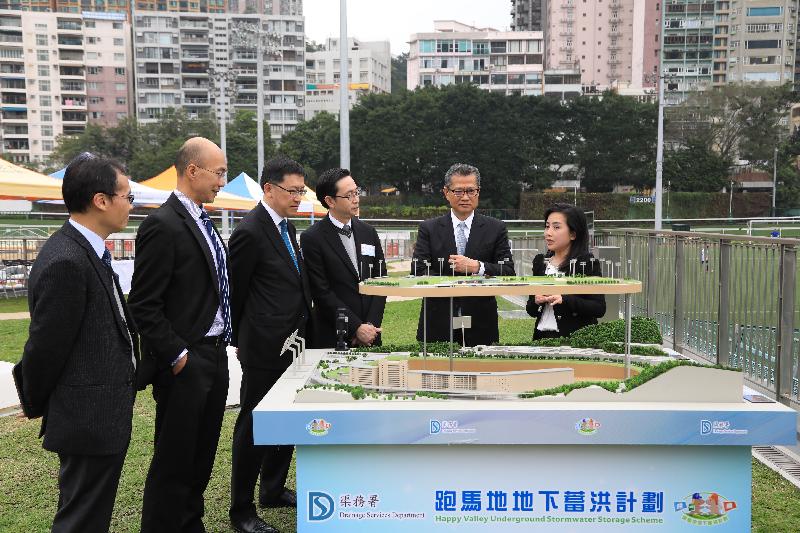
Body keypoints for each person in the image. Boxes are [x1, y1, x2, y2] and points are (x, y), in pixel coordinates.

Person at [17, 153, 137, 532]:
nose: (131, 205)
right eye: (127, 197)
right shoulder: (67, 260)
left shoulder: (89, 250)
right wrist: (37, 401)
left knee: (90, 512)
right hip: (87, 416)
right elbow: (45, 348)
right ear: (101, 200)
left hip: (101, 413)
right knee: (82, 517)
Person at [129, 137, 230, 533]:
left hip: (215, 354)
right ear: (193, 171)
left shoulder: (205, 221)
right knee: (174, 457)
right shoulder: (162, 224)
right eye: (219, 172)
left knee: (202, 453)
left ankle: (191, 524)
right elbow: (144, 303)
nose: (223, 181)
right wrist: (176, 354)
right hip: (186, 358)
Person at [228, 157, 312, 533]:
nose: (298, 198)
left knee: (286, 419)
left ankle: (272, 489)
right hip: (263, 346)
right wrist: (245, 341)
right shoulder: (250, 230)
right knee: (255, 424)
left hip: (294, 342)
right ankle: (241, 510)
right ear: (269, 189)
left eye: (301, 191)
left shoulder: (285, 227)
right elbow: (237, 294)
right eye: (292, 191)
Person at [412, 163, 515, 346]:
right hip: (438, 320)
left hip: (481, 322)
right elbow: (418, 270)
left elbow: (507, 271)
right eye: (458, 191)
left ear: (478, 192)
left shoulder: (496, 228)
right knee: (436, 373)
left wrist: (478, 267)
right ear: (446, 192)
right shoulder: (429, 228)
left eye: (471, 191)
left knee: (480, 373)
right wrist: (455, 282)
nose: (465, 197)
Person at [301, 167, 386, 348]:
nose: (356, 199)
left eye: (357, 192)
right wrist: (355, 328)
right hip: (333, 335)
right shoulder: (312, 238)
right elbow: (321, 292)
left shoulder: (368, 232)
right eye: (349, 195)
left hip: (371, 336)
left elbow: (381, 281)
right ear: (330, 201)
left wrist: (369, 326)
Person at [526, 203, 606, 339]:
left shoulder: (586, 263)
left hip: (574, 339)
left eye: (556, 227)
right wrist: (536, 301)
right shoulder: (540, 262)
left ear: (573, 234)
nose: (548, 233)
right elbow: (531, 310)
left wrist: (564, 299)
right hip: (541, 338)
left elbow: (598, 308)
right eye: (547, 226)